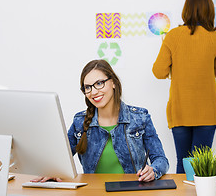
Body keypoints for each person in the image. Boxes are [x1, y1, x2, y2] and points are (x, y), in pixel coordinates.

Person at [33, 59, 169, 182]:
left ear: (114, 82)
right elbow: (60, 159)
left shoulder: (140, 118)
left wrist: (153, 170)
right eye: (88, 87)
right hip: (93, 192)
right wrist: (52, 171)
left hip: (132, 191)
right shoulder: (80, 122)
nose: (93, 92)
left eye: (99, 83)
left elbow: (161, 159)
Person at [152, 0, 216, 174]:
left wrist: (174, 66)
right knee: (200, 166)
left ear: (186, 9)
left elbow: (158, 72)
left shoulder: (173, 36)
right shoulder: (215, 38)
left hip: (180, 110)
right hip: (207, 112)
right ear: (209, 10)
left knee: (183, 162)